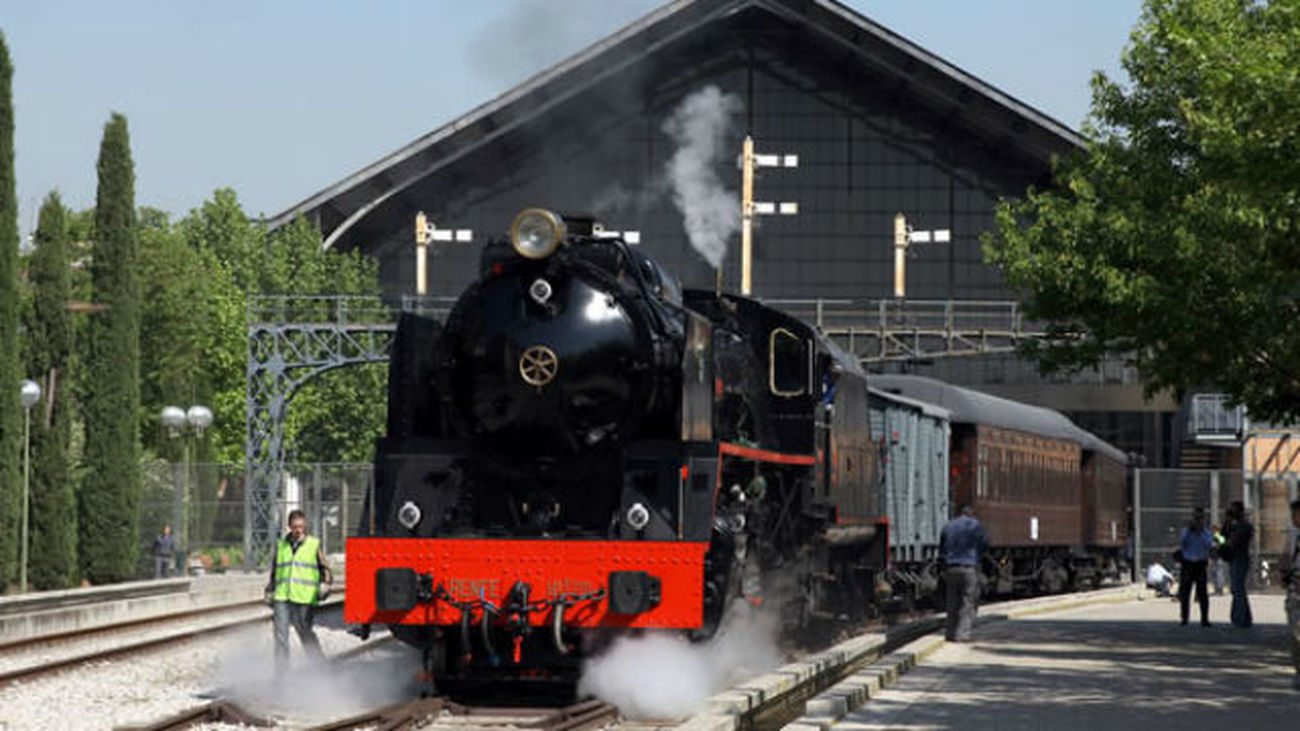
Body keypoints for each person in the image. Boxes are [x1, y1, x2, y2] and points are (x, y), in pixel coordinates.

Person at [265, 509, 332, 670]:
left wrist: (325, 584)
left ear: (305, 526)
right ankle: (281, 676)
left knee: (305, 634)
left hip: (304, 599)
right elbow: (276, 571)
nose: (298, 530)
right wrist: (270, 589)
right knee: (280, 637)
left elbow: (325, 569)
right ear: (289, 526)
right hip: (282, 597)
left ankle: (320, 667)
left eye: (301, 527)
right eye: (295, 527)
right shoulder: (281, 546)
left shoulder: (313, 545)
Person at [940, 503, 988, 643]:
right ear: (971, 514)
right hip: (969, 568)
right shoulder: (976, 526)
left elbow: (942, 547)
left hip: (951, 568)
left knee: (952, 602)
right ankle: (962, 634)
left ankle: (949, 634)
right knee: (968, 602)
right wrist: (977, 557)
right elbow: (984, 544)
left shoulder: (948, 526)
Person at [1176, 507, 1214, 627]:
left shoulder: (1206, 532)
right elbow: (1182, 543)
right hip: (1187, 563)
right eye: (1195, 518)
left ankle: (1204, 618)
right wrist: (1190, 531)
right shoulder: (1186, 531)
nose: (1197, 521)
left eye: (1199, 518)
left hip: (1200, 564)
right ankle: (1184, 617)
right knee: (1185, 592)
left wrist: (1200, 532)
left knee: (1202, 593)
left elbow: (1208, 545)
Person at [1223, 500, 1254, 628]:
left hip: (1240, 559)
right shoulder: (1233, 526)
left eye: (1234, 510)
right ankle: (1245, 618)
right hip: (1234, 559)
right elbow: (1221, 538)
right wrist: (1226, 524)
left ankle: (1239, 619)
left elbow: (1233, 542)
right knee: (1238, 589)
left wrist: (1226, 541)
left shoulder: (1244, 526)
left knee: (1238, 590)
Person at [1281, 499, 1300, 691]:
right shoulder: (1293, 534)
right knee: (1295, 633)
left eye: (1296, 514)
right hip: (1295, 589)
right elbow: (1286, 556)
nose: (1293, 518)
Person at [1210, 523, 1226, 595]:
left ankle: (1219, 589)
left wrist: (1215, 545)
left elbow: (1222, 544)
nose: (1212, 530)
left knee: (1218, 573)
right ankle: (1217, 588)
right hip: (1214, 557)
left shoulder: (1219, 536)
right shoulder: (1213, 536)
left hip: (1218, 557)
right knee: (1214, 573)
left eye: (1213, 529)